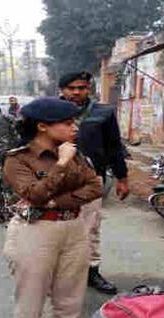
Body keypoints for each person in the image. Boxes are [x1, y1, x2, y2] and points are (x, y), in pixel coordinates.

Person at [3, 97, 102, 318]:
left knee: (70, 298)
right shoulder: (18, 158)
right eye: (68, 122)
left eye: (75, 122)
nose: (75, 127)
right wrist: (61, 164)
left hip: (73, 227)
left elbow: (94, 186)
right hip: (36, 230)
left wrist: (56, 200)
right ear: (43, 126)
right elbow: (33, 195)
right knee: (30, 300)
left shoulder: (74, 152)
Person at [59, 71, 129, 295]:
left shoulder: (103, 113)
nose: (76, 92)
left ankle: (92, 272)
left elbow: (114, 147)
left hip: (91, 180)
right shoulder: (49, 111)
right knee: (58, 228)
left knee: (90, 228)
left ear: (89, 89)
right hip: (56, 180)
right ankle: (61, 275)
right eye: (71, 88)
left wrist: (122, 178)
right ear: (62, 90)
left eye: (81, 88)